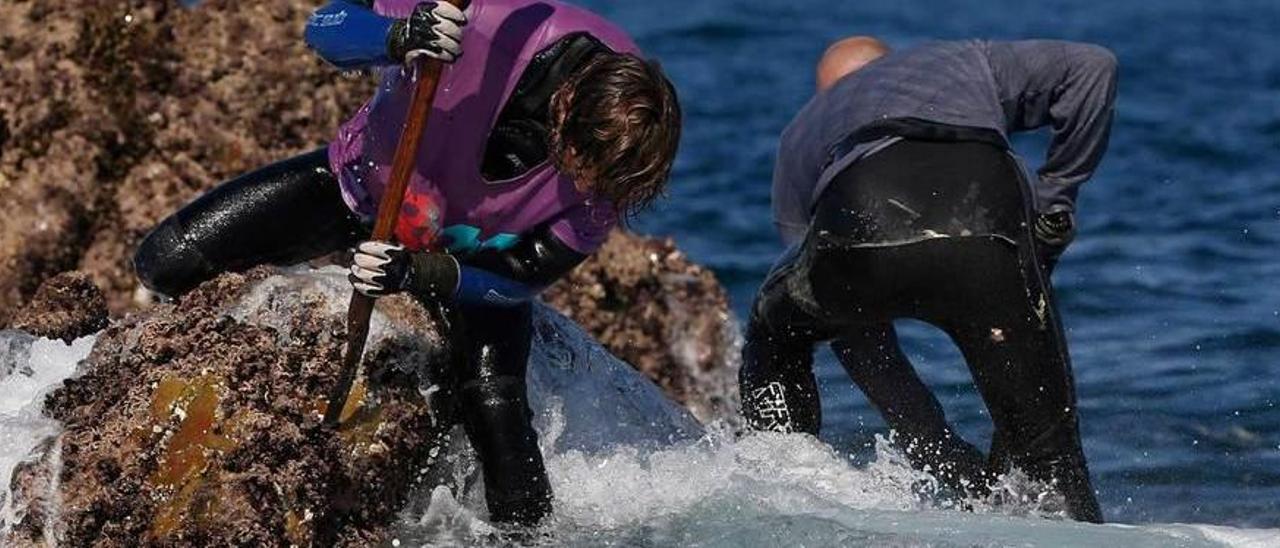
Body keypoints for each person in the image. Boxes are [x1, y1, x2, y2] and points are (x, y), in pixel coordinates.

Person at [132, 0, 681, 526]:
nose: (586, 191)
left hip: (474, 258)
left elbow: (522, 280)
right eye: (581, 168)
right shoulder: (486, 26)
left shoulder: (620, 158)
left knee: (496, 407)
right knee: (163, 263)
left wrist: (417, 275)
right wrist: (396, 39)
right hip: (362, 192)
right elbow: (325, 24)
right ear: (566, 107)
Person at [740, 36, 1117, 523]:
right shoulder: (958, 59)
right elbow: (1094, 67)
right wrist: (1057, 197)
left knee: (777, 335)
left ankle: (777, 499)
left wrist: (935, 446)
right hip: (986, 221)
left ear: (824, 93)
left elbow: (849, 329)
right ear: (894, 61)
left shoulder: (801, 131)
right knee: (1050, 456)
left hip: (858, 221)